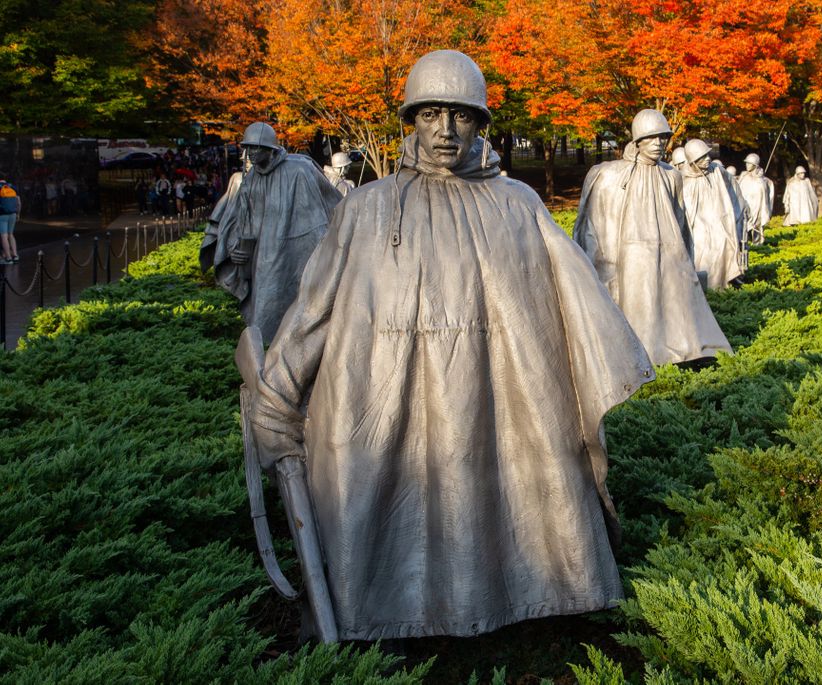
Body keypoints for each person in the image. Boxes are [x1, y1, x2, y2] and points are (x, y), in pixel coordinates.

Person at [247, 50, 653, 641]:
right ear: (411, 119)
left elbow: (574, 304)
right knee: (391, 496)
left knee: (501, 481)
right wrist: (276, 397)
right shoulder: (367, 208)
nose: (445, 130)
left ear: (480, 123)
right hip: (388, 396)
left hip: (499, 397)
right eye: (431, 113)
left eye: (461, 116)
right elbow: (314, 310)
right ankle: (383, 614)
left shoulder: (519, 204)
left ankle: (534, 592)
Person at [573, 108, 732, 366]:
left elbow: (681, 223)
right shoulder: (611, 175)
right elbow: (595, 223)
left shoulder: (671, 175)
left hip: (670, 253)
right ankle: (639, 355)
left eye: (663, 138)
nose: (659, 144)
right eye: (652, 138)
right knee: (640, 305)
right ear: (638, 140)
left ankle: (683, 351)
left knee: (676, 304)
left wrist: (685, 260)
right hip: (632, 254)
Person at [202, 122, 341, 340]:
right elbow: (241, 223)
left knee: (308, 313)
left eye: (257, 148)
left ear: (271, 149)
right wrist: (236, 249)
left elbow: (333, 205)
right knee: (265, 316)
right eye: (249, 148)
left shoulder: (300, 170)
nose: (252, 154)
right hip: (264, 260)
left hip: (303, 253)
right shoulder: (250, 181)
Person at [681, 139, 744, 289]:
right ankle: (704, 289)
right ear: (693, 161)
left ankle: (722, 286)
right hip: (696, 228)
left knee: (722, 246)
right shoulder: (683, 179)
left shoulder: (716, 171)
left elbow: (733, 187)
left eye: (707, 155)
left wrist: (738, 210)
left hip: (719, 224)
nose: (708, 159)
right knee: (701, 253)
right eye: (702, 157)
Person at [737, 152, 774, 243]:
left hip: (757, 209)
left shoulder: (762, 181)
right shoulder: (743, 176)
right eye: (746, 163)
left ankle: (757, 245)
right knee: (743, 229)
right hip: (744, 207)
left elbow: (765, 198)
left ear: (755, 165)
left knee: (756, 228)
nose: (747, 165)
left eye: (749, 163)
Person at [0, 173, 21, 264]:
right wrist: (18, 213)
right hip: (13, 213)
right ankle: (15, 255)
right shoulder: (12, 187)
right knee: (10, 234)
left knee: (3, 236)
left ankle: (8, 258)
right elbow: (19, 202)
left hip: (2, 214)